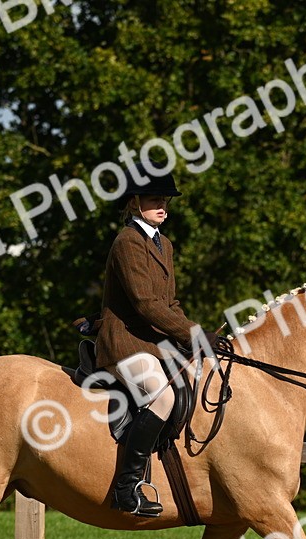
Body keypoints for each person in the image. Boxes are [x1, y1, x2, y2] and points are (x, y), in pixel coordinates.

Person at [95, 170, 219, 517]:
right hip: (124, 343)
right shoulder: (127, 242)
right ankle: (126, 488)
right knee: (162, 395)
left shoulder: (164, 243)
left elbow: (169, 303)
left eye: (165, 200)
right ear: (135, 203)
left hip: (152, 340)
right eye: (155, 200)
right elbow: (145, 304)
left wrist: (193, 335)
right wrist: (192, 333)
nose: (162, 205)